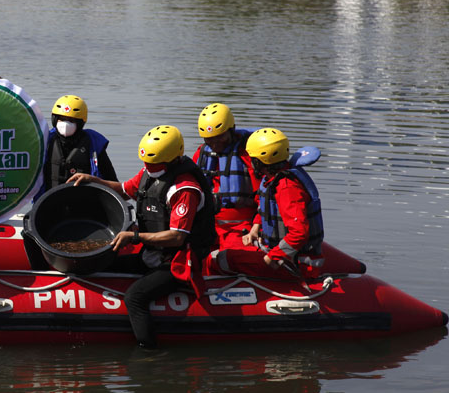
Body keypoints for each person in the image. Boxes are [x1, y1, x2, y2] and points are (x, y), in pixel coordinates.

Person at [68, 125, 216, 348]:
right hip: (153, 254)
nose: (148, 167)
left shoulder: (185, 190)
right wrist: (94, 180)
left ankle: (149, 353)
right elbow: (124, 189)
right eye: (146, 162)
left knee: (135, 297)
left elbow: (177, 237)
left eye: (154, 164)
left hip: (178, 262)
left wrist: (135, 237)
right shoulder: (150, 173)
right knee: (103, 263)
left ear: (172, 159)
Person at [214, 128, 324, 279]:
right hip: (278, 252)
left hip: (294, 264)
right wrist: (255, 228)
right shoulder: (273, 178)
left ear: (259, 161)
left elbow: (299, 233)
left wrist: (273, 257)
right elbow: (268, 207)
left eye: (252, 158)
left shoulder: (287, 188)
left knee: (221, 258)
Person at [191, 102, 261, 249]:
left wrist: (256, 228)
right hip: (208, 225)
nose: (215, 144)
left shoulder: (248, 155)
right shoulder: (202, 153)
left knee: (232, 255)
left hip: (243, 227)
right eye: (209, 139)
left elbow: (264, 197)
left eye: (220, 137)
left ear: (231, 130)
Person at [37, 94, 118, 197]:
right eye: (62, 119)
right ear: (54, 119)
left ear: (80, 122)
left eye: (71, 120)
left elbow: (112, 180)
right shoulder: (45, 142)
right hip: (49, 201)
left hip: (83, 202)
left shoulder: (94, 145)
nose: (65, 124)